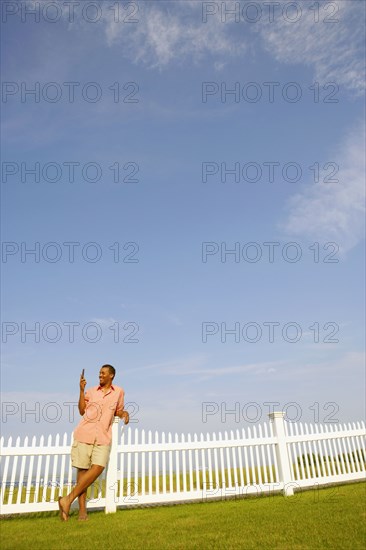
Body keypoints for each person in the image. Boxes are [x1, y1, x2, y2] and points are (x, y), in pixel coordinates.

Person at [58, 364, 129, 521]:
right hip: (84, 433)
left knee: (98, 467)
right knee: (83, 471)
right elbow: (82, 410)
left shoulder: (119, 392)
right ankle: (82, 512)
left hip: (103, 436)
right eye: (99, 373)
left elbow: (117, 410)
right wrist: (81, 390)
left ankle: (67, 500)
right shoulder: (90, 391)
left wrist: (124, 413)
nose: (100, 375)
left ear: (111, 376)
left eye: (103, 373)